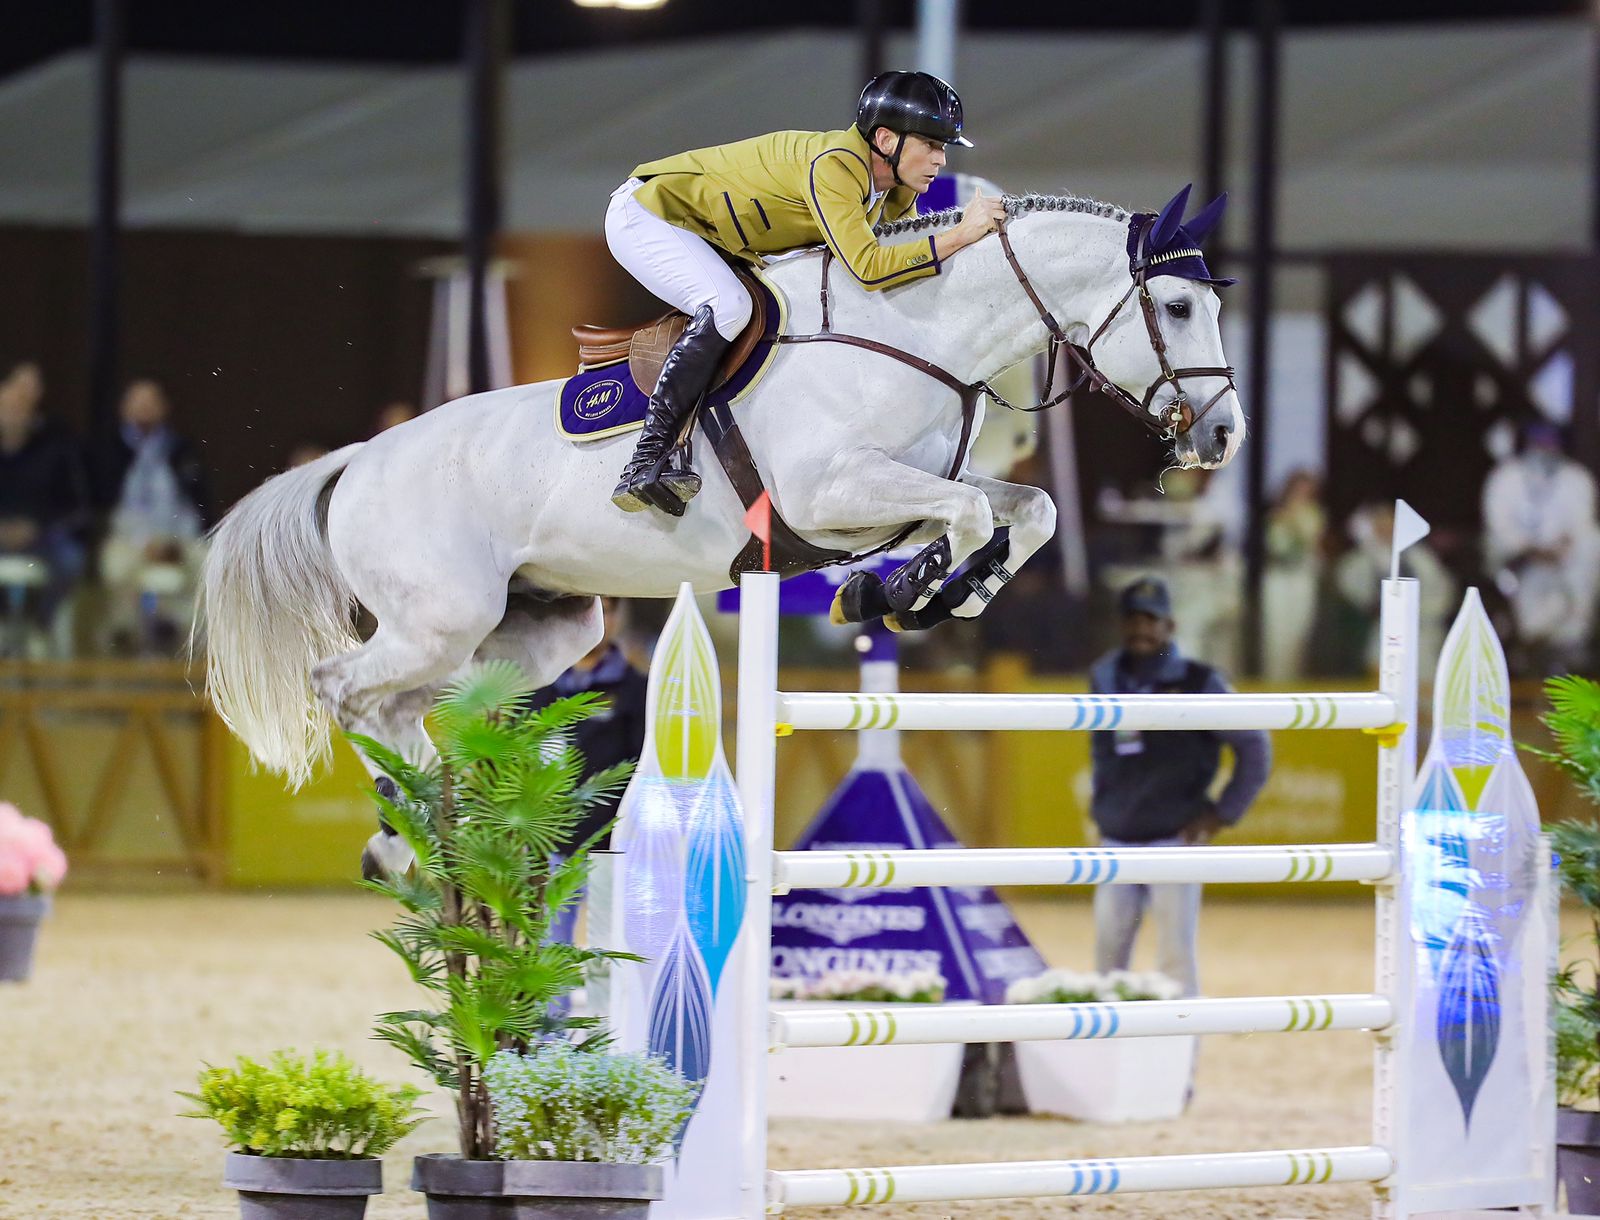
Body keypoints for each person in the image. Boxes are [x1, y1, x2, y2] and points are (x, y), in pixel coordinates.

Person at [605, 70, 1006, 516]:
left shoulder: (894, 190)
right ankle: (650, 456)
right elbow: (871, 269)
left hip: (720, 238)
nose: (940, 160)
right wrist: (963, 233)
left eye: (943, 147)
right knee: (730, 307)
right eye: (931, 144)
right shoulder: (836, 166)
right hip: (651, 216)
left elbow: (899, 269)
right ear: (887, 140)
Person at [1088, 576, 1271, 999]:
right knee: (1106, 961)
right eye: (1133, 618)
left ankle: (1180, 1055)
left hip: (1175, 837)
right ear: (1121, 624)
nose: (1141, 629)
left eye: (1151, 620)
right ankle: (1106, 1057)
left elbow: (1255, 746)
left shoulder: (1200, 680)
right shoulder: (1105, 675)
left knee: (1175, 960)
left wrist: (1223, 813)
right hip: (1117, 836)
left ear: (1170, 626)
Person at [528, 597, 648, 948]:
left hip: (611, 849)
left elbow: (644, 768)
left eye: (606, 610)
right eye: (587, 609)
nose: (598, 619)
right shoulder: (538, 689)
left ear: (617, 618)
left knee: (610, 952)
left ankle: (607, 1008)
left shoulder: (636, 690)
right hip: (548, 849)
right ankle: (553, 1008)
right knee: (548, 954)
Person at [90, 380, 210, 653]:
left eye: (151, 401)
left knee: (210, 563)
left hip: (178, 537)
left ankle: (193, 641)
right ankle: (123, 634)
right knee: (116, 566)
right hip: (128, 539)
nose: (144, 407)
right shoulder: (107, 452)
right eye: (137, 401)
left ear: (164, 408)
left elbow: (197, 507)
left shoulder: (181, 450)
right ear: (123, 408)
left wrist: (174, 541)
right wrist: (144, 540)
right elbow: (105, 510)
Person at [1481, 419, 1600, 670]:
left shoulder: (1577, 478)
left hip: (1562, 564)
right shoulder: (1505, 477)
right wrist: (1530, 549)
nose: (1545, 448)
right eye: (1539, 441)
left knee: (1593, 544)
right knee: (1533, 620)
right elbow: (1498, 527)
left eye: (1550, 442)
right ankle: (1524, 640)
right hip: (1518, 564)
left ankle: (1574, 637)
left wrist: (1558, 549)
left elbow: (1583, 525)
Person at [0, 362, 91, 648]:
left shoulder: (58, 441)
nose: (22, 400)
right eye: (17, 392)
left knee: (70, 557)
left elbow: (76, 505)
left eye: (31, 394)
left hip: (41, 537)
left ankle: (39, 621)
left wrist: (36, 527)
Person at [1263, 470, 1326, 680]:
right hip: (1278, 577)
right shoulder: (1276, 513)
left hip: (1302, 577)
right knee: (1276, 631)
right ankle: (1275, 681)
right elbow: (1273, 545)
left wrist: (1293, 518)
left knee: (1299, 631)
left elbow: (1310, 540)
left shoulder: (1314, 513)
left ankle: (1295, 680)